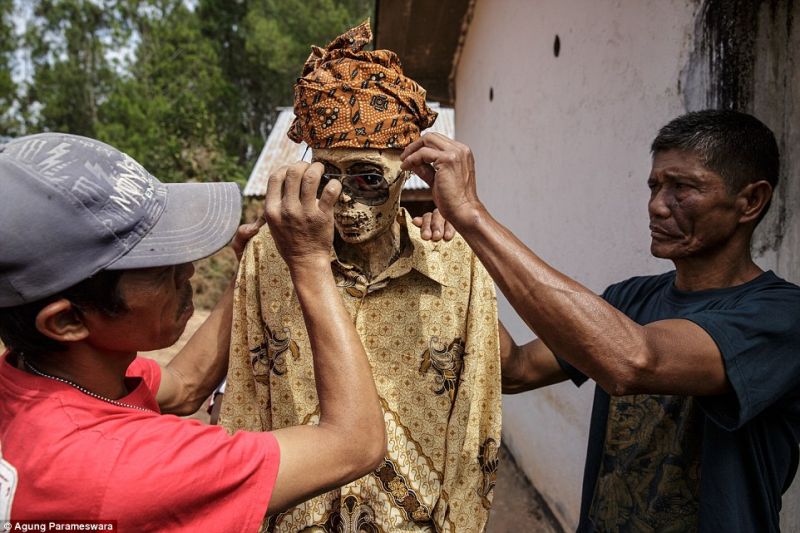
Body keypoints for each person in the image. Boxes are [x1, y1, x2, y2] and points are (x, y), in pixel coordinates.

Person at [402, 110, 800, 532]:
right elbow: (513, 369)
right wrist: (455, 260)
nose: (657, 206)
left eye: (682, 188)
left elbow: (634, 361)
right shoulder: (630, 299)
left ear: (751, 201)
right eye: (654, 186)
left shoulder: (781, 316)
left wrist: (473, 216)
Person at [0, 132, 386, 531]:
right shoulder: (133, 465)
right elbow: (355, 443)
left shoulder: (34, 380)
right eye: (157, 269)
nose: (188, 272)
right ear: (66, 322)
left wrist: (244, 274)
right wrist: (309, 261)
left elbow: (184, 385)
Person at [219, 21, 502, 532]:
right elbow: (243, 395)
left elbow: (476, 418)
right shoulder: (270, 256)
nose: (342, 199)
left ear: (408, 174)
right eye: (328, 176)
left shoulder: (457, 262)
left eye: (369, 178)